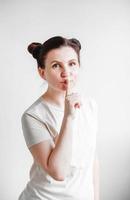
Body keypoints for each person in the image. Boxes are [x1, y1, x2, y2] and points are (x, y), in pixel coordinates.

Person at [18, 36, 100, 200]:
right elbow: (58, 172)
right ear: (42, 72)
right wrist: (69, 116)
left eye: (72, 64)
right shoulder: (33, 115)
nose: (66, 72)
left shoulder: (90, 105)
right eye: (56, 66)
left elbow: (92, 160)